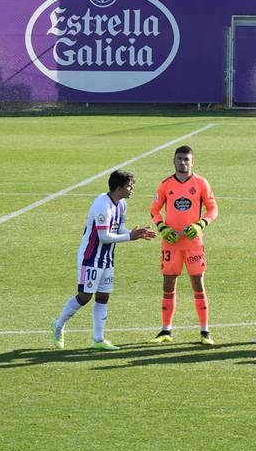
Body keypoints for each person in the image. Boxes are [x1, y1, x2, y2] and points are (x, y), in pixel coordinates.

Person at [51, 170, 153, 350]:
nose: (132, 189)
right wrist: (130, 237)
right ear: (119, 188)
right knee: (85, 297)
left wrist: (136, 233)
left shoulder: (121, 204)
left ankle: (98, 340)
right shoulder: (102, 205)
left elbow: (119, 228)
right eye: (130, 186)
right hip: (91, 257)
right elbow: (104, 236)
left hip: (107, 258)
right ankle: (58, 325)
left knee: (103, 296)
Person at [149, 145, 219, 345]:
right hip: (171, 243)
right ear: (174, 161)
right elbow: (154, 210)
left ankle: (205, 332)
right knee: (168, 285)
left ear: (192, 161)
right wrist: (162, 228)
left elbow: (213, 208)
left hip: (193, 243)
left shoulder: (201, 183)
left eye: (186, 159)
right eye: (179, 159)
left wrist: (201, 224)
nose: (183, 162)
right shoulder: (165, 185)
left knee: (198, 284)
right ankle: (166, 330)